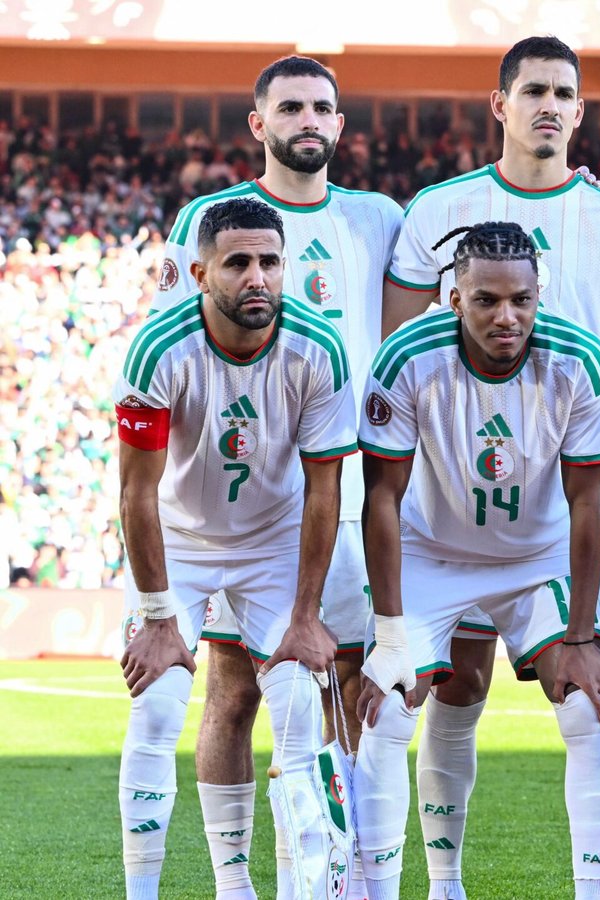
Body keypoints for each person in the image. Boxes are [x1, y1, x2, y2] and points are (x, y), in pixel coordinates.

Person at [380, 35, 600, 899]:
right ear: (501, 104)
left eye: (565, 92)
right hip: (449, 497)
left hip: (566, 488)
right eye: (533, 91)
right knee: (457, 688)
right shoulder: (439, 209)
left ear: (581, 109)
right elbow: (396, 350)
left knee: (597, 689)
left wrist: (595, 365)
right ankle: (442, 882)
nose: (549, 105)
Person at [150, 55, 401, 900]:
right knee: (232, 690)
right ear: (258, 124)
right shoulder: (209, 220)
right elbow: (169, 356)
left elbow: (463, 259)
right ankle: (234, 883)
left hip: (348, 489)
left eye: (323, 107)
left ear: (340, 124)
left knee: (347, 684)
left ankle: (338, 878)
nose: (308, 120)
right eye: (289, 106)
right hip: (242, 501)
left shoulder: (378, 218)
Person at [353, 222, 600, 900]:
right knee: (387, 706)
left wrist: (584, 636)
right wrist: (388, 637)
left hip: (537, 557)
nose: (508, 317)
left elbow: (588, 503)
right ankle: (414, 889)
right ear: (454, 298)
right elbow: (380, 498)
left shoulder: (580, 360)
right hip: (430, 553)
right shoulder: (406, 356)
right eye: (487, 301)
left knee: (590, 706)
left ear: (539, 295)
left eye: (522, 300)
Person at [115, 197, 356, 900]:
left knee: (297, 716)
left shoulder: (319, 347)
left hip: (273, 542)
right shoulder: (158, 349)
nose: (258, 277)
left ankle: (292, 893)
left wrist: (307, 616)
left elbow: (324, 491)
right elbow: (136, 494)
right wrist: (159, 617)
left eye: (271, 262)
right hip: (177, 542)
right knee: (158, 706)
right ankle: (162, 892)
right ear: (199, 272)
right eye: (239, 262)